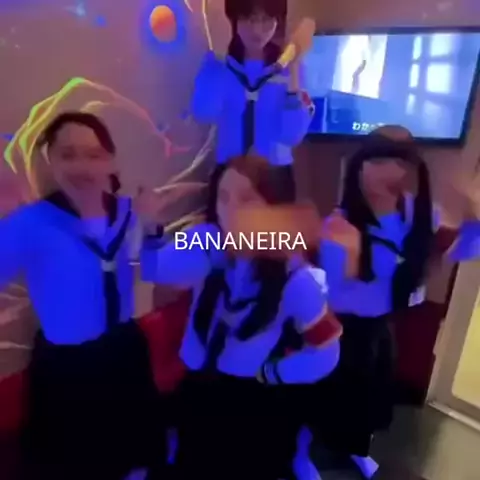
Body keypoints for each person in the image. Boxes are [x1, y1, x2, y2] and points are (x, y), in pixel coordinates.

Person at [139, 154, 342, 480]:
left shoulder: (297, 277)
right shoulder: (209, 242)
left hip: (251, 406)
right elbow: (156, 268)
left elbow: (328, 351)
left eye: (247, 199)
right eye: (223, 197)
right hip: (197, 391)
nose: (231, 210)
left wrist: (275, 373)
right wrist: (151, 225)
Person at [0, 112, 166, 480]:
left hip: (124, 353)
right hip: (68, 370)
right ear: (51, 160)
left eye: (93, 155)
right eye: (68, 154)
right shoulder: (30, 223)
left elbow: (155, 270)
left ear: (110, 161)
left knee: (133, 457)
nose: (82, 166)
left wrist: (153, 227)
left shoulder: (130, 212)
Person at [316, 136, 480, 478]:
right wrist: (349, 259)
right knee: (334, 404)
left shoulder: (418, 216)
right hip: (344, 329)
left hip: (383, 326)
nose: (387, 171)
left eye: (398, 162)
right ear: (358, 168)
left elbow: (458, 253)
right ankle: (316, 456)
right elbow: (335, 291)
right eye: (376, 161)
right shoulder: (340, 223)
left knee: (373, 401)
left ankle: (357, 450)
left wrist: (473, 217)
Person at [191, 0, 313, 201]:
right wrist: (216, 59)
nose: (257, 30)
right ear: (234, 20)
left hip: (275, 176)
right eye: (249, 19)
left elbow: (292, 135)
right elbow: (204, 112)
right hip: (229, 173)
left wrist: (293, 67)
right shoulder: (220, 65)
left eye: (266, 20)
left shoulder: (290, 68)